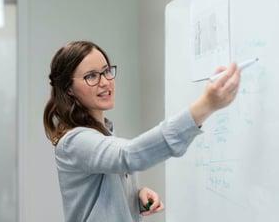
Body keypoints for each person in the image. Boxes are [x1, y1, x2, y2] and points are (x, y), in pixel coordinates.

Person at [43, 40, 241, 222]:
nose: (105, 82)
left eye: (106, 71)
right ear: (69, 88)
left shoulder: (105, 131)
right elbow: (128, 155)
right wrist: (205, 106)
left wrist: (133, 196)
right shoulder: (75, 141)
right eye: (91, 76)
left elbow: (103, 196)